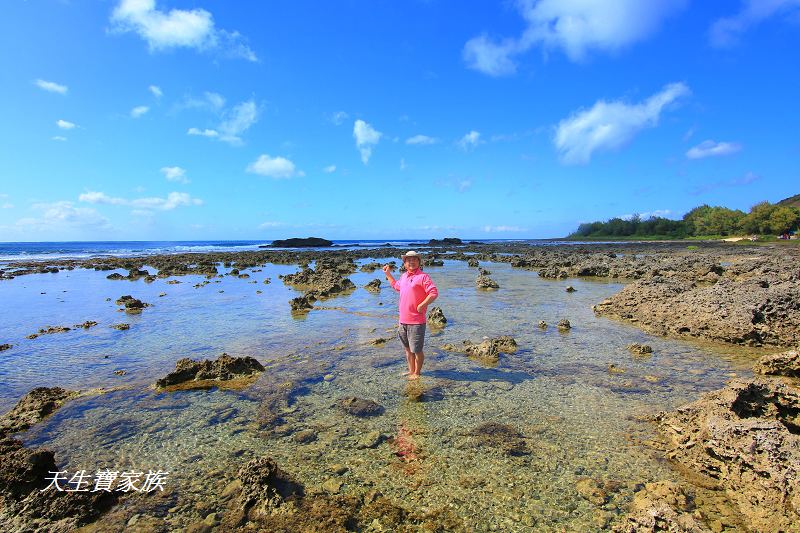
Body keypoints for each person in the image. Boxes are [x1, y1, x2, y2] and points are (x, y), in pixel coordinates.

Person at [382, 251, 438, 380]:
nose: (411, 262)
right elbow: (396, 286)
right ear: (405, 263)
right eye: (408, 260)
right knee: (408, 350)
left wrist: (422, 305)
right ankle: (411, 370)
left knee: (417, 350)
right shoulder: (404, 277)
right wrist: (388, 274)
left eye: (414, 260)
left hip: (417, 322)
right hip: (403, 321)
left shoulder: (423, 277)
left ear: (419, 262)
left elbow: (433, 293)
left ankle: (417, 373)